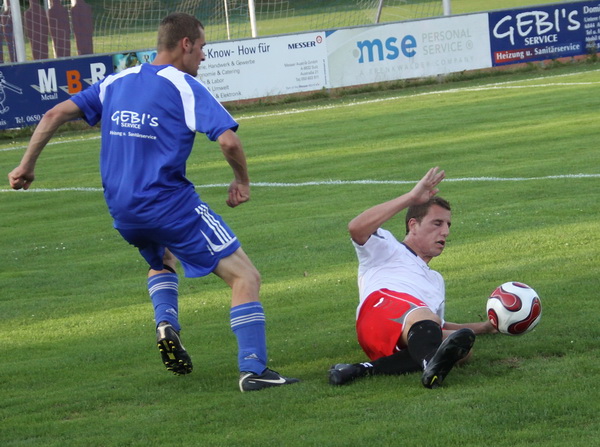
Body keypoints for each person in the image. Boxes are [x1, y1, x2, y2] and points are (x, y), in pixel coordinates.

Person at [8, 12, 298, 392]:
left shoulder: (118, 80)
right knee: (246, 277)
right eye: (203, 47)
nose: (204, 56)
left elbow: (53, 113)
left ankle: (166, 323)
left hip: (124, 212)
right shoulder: (184, 86)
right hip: (169, 206)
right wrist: (241, 181)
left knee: (162, 258)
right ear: (185, 44)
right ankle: (254, 370)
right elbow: (228, 141)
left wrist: (26, 165)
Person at [328, 167, 496, 389]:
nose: (445, 232)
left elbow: (433, 327)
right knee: (426, 323)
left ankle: (359, 370)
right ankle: (430, 364)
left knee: (461, 351)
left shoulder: (436, 280)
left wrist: (484, 327)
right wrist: (411, 198)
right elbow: (356, 227)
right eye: (437, 223)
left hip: (399, 336)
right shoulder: (387, 246)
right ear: (413, 225)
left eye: (448, 225)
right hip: (377, 312)